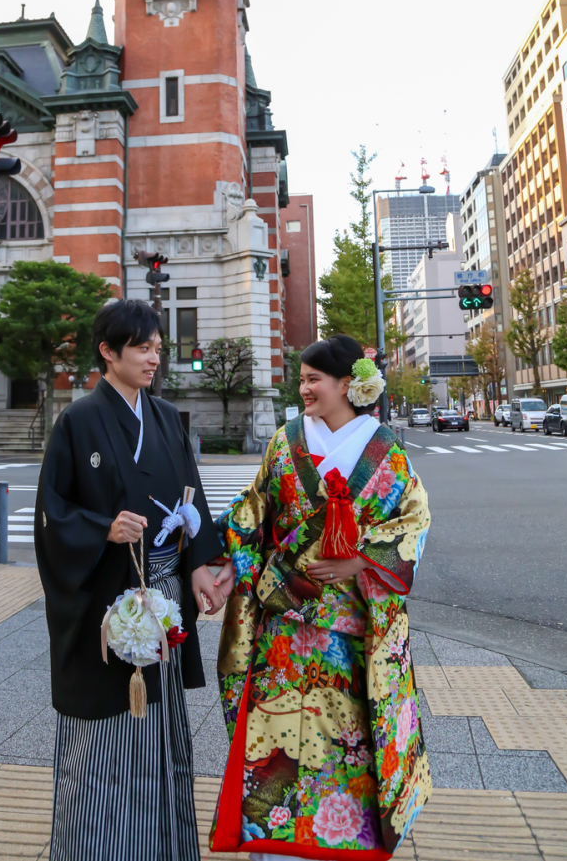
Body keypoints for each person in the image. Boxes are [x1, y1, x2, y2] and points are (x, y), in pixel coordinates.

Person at [209, 334, 431, 859]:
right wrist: (215, 553)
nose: (304, 387)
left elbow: (414, 519)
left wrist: (359, 559)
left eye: (314, 379)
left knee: (346, 745)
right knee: (277, 741)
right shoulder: (286, 442)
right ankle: (271, 837)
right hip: (285, 625)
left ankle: (342, 839)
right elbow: (256, 507)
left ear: (348, 385)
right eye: (302, 378)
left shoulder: (384, 449)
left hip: (349, 629)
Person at [34, 298, 235, 861]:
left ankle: (163, 849)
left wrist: (198, 564)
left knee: (159, 738)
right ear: (108, 352)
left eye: (158, 348)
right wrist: (103, 528)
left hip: (164, 600)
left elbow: (192, 504)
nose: (155, 359)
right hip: (107, 602)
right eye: (143, 348)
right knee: (103, 740)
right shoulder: (77, 421)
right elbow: (51, 514)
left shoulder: (168, 419)